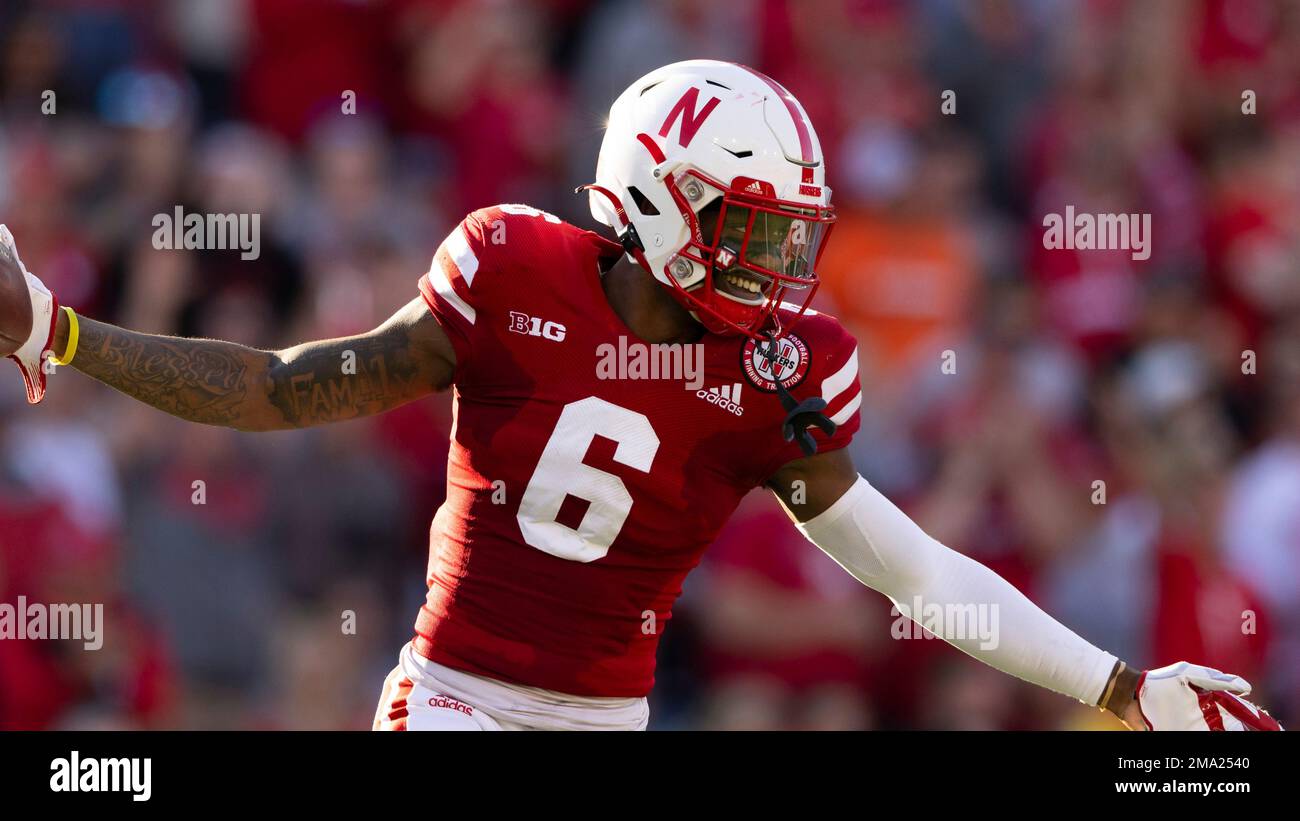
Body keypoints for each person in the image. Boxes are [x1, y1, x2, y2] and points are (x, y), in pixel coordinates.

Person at [2, 60, 1279, 731]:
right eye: (754, 231)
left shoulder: (780, 368)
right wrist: (61, 327)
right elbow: (287, 386)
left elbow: (913, 572)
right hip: (454, 701)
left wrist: (1117, 687)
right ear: (658, 201)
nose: (782, 269)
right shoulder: (509, 267)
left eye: (793, 238)